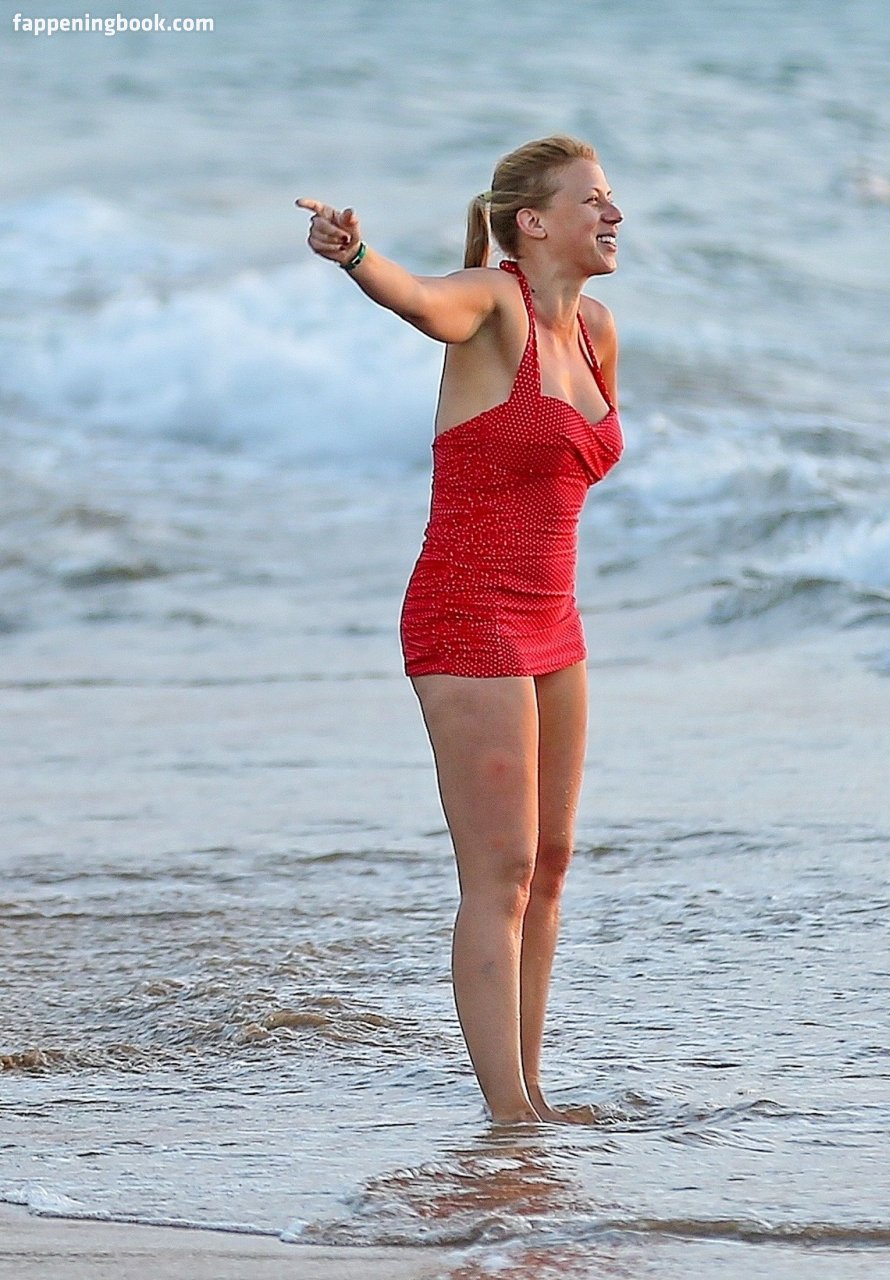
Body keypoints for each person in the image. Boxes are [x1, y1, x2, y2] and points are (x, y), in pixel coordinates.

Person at [297, 135, 624, 1123]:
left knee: (551, 866)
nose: (613, 215)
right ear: (534, 222)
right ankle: (508, 1116)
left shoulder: (597, 330)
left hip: (554, 620)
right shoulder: (491, 303)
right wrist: (358, 255)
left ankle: (533, 1093)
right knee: (501, 870)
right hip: (468, 612)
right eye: (593, 200)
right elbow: (415, 298)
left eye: (612, 199)